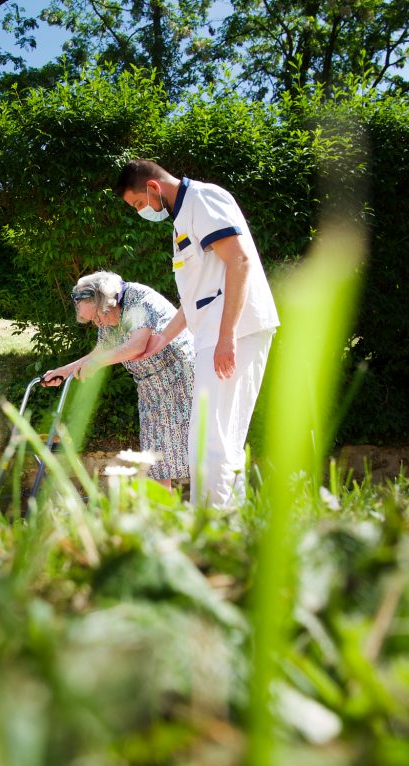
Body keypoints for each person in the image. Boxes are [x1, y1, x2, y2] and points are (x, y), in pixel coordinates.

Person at [114, 158, 280, 507]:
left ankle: (214, 525)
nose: (142, 212)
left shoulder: (203, 200)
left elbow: (240, 260)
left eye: (139, 204)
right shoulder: (182, 221)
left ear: (153, 187)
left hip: (235, 331)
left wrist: (227, 336)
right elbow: (197, 298)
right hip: (213, 334)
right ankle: (225, 523)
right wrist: (162, 339)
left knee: (211, 439)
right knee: (214, 437)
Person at [42, 271, 195, 490]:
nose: (97, 324)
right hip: (150, 387)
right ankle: (162, 516)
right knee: (155, 459)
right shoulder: (107, 318)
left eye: (96, 317)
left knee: (195, 447)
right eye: (91, 321)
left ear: (108, 302)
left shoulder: (140, 300)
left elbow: (136, 346)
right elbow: (101, 351)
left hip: (181, 376)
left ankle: (207, 509)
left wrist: (95, 365)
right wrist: (64, 371)